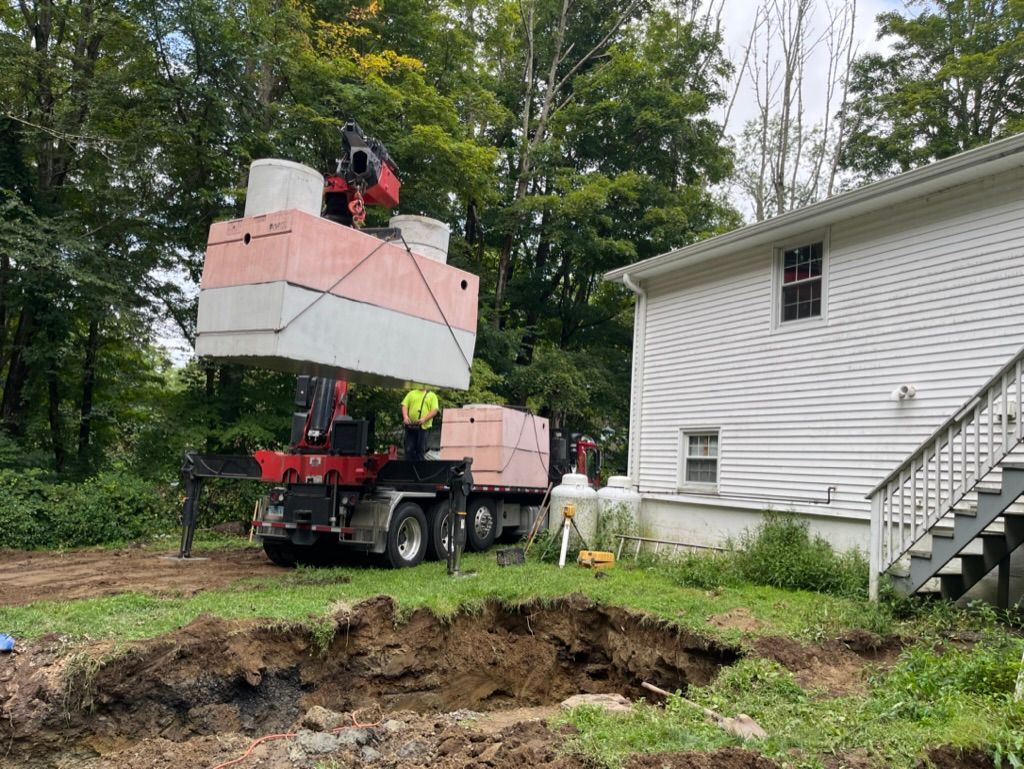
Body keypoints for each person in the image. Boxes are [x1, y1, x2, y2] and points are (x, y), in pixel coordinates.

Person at [401, 385, 438, 462]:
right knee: (408, 449)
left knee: (421, 450)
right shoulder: (411, 393)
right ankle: (409, 469)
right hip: (411, 426)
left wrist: (424, 419)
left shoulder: (432, 395)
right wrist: (405, 417)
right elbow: (404, 405)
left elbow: (434, 410)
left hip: (424, 427)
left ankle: (419, 469)